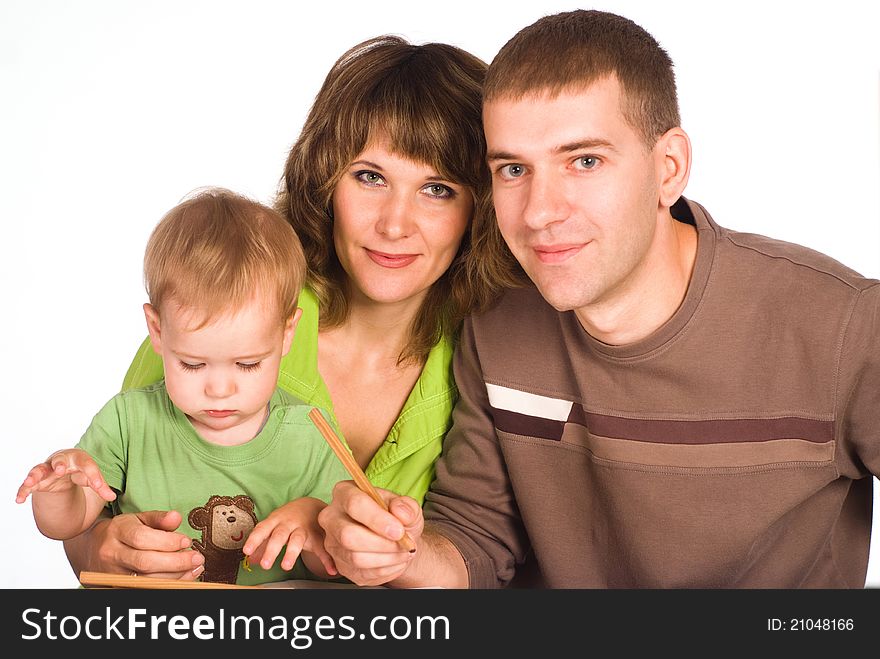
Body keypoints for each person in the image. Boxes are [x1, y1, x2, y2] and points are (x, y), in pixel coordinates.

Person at [318, 9, 880, 589]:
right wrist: (397, 554)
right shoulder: (494, 321)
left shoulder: (845, 324)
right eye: (513, 169)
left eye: (584, 161)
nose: (539, 212)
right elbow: (475, 539)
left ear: (669, 169)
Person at [60, 35, 521, 580]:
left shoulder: (489, 352)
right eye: (370, 177)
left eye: (438, 189)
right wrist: (99, 548)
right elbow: (92, 522)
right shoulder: (227, 308)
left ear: (482, 205)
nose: (395, 224)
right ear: (326, 178)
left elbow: (483, 557)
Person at [17, 188, 351, 585]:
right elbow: (66, 526)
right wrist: (58, 492)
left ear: (286, 334)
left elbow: (338, 567)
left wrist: (313, 522)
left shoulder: (311, 432)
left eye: (248, 364)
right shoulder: (128, 421)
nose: (220, 389)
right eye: (193, 364)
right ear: (157, 332)